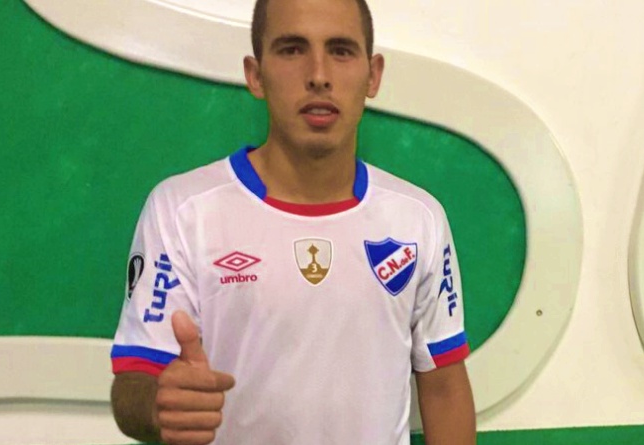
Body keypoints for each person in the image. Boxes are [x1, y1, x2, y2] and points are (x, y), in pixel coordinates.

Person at [109, 0, 476, 443]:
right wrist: (159, 405)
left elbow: (444, 390)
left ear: (373, 75)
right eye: (292, 49)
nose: (318, 74)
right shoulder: (183, 210)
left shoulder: (419, 219)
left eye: (340, 50)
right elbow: (134, 382)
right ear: (255, 75)